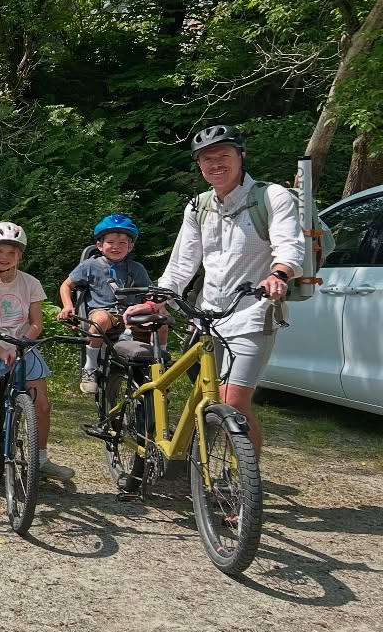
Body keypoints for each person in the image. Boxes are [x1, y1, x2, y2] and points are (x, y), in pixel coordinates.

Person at [128, 125, 304, 455]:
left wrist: (278, 273)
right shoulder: (198, 206)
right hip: (206, 318)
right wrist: (159, 299)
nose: (215, 164)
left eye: (224, 155)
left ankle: (244, 490)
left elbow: (290, 245)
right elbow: (182, 264)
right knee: (206, 398)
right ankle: (200, 466)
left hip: (253, 315)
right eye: (206, 159)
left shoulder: (271, 196)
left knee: (233, 402)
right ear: (199, 166)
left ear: (242, 157)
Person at [0, 222, 72, 487]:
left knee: (42, 404)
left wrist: (21, 344)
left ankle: (42, 459)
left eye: (10, 253)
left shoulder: (30, 283)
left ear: (20, 256)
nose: (3, 257)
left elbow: (37, 323)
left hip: (24, 345)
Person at [59, 214, 152, 394]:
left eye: (122, 243)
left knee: (160, 322)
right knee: (100, 319)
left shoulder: (137, 269)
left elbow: (148, 294)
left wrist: (152, 307)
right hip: (103, 313)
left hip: (130, 315)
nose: (116, 247)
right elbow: (66, 285)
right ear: (100, 245)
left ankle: (158, 366)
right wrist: (67, 306)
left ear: (130, 246)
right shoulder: (90, 265)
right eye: (110, 242)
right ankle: (90, 367)